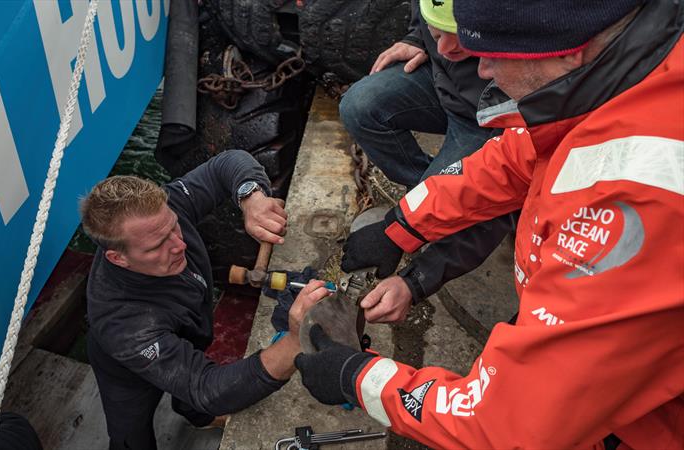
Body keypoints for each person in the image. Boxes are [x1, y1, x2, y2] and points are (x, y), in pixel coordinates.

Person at [297, 1, 684, 448]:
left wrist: (359, 377)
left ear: (566, 48)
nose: (481, 71)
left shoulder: (638, 202)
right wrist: (401, 224)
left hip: (641, 428)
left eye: (496, 54)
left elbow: (509, 424)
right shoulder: (613, 83)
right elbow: (510, 161)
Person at [80, 150, 329, 450]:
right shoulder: (123, 323)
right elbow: (204, 386)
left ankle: (197, 417)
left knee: (192, 375)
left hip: (187, 323)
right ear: (118, 258)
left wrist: (252, 198)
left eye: (174, 225)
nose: (179, 244)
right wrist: (293, 341)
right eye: (158, 245)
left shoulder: (161, 213)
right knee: (129, 431)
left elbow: (226, 164)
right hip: (127, 370)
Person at [339, 0, 517, 322]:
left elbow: (505, 182)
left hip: (490, 119)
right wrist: (418, 38)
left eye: (462, 35)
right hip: (447, 90)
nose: (446, 47)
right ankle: (428, 191)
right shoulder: (442, 35)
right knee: (358, 105)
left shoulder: (537, 98)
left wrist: (415, 278)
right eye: (439, 34)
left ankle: (434, 194)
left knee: (467, 205)